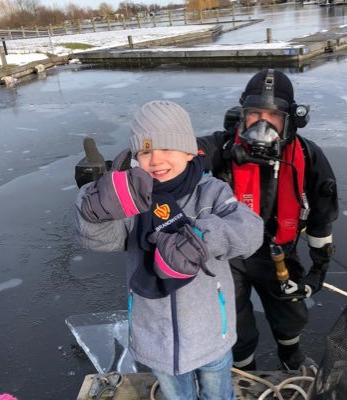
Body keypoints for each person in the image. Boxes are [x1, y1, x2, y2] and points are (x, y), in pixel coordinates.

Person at [74, 100, 264, 400]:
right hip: (156, 338)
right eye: (145, 151)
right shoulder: (134, 200)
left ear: (189, 151)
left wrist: (201, 238)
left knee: (218, 394)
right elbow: (103, 240)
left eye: (166, 148)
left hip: (211, 333)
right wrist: (94, 211)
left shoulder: (211, 191)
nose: (155, 160)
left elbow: (250, 231)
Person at [197, 69, 339, 371]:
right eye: (254, 115)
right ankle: (245, 371)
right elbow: (182, 154)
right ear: (242, 115)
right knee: (234, 319)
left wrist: (319, 268)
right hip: (229, 257)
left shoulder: (308, 156)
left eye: (272, 117)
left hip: (278, 253)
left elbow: (322, 214)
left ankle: (291, 357)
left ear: (290, 120)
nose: (262, 125)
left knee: (289, 313)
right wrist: (126, 166)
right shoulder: (222, 148)